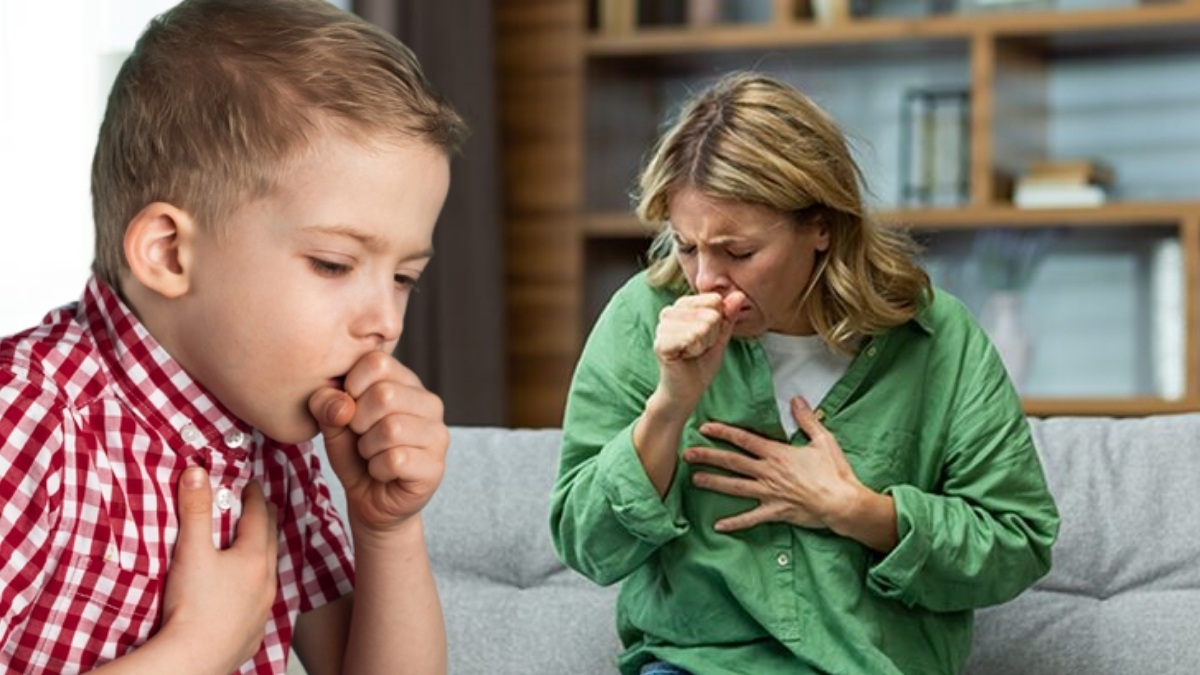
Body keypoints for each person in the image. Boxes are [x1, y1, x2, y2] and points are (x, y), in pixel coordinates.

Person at [0, 1, 465, 673]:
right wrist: (198, 650)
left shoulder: (275, 448)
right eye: (334, 264)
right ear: (168, 253)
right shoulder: (26, 418)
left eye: (404, 277)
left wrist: (386, 527)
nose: (384, 322)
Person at [550, 71, 1060, 675]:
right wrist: (670, 404)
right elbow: (588, 544)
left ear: (821, 227)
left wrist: (861, 512)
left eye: (738, 253)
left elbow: (1018, 542)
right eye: (686, 247)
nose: (705, 279)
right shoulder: (643, 317)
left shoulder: (938, 339)